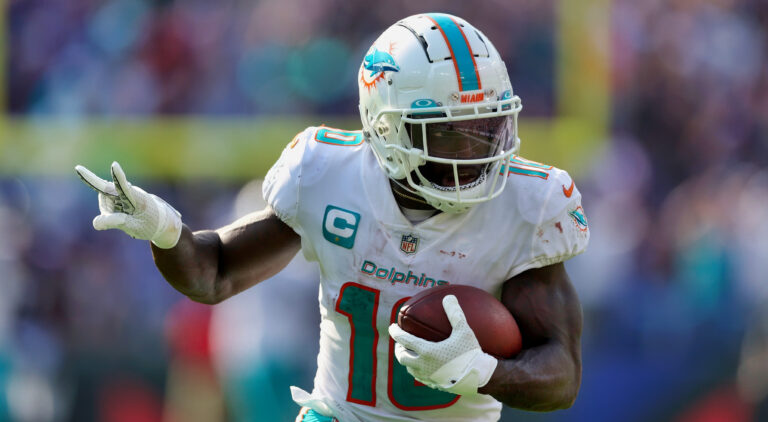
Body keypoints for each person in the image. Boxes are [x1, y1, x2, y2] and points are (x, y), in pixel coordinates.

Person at [75, 13, 589, 422]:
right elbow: (213, 273)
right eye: (451, 135)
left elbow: (562, 376)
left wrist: (481, 370)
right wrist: (164, 230)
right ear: (389, 132)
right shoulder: (325, 174)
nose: (475, 155)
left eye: (488, 128)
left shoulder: (528, 204)